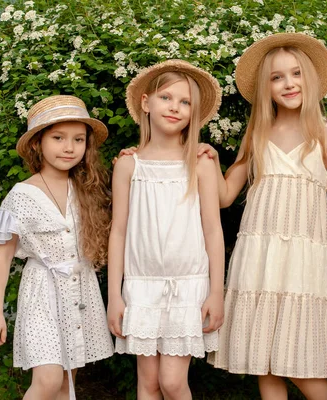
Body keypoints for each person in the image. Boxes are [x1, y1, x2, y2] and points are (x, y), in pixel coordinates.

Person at [203, 33, 327, 400]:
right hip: (259, 258)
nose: (288, 83)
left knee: (302, 366)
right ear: (266, 86)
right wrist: (209, 159)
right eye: (277, 77)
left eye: (295, 74)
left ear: (309, 78)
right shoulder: (257, 133)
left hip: (302, 262)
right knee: (265, 363)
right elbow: (225, 196)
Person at [0, 95, 114, 400]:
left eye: (78, 139)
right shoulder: (21, 195)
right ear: (37, 143)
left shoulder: (87, 189)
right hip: (42, 294)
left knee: (68, 381)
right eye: (58, 138)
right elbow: (2, 258)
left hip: (81, 291)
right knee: (49, 380)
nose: (69, 147)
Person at [107, 60, 225, 400]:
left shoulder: (199, 163)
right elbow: (118, 233)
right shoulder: (128, 164)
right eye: (166, 97)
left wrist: (216, 291)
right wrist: (116, 295)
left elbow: (213, 232)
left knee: (173, 382)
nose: (175, 107)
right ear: (146, 103)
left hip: (187, 286)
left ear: (194, 114)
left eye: (185, 102)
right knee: (148, 384)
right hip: (141, 288)